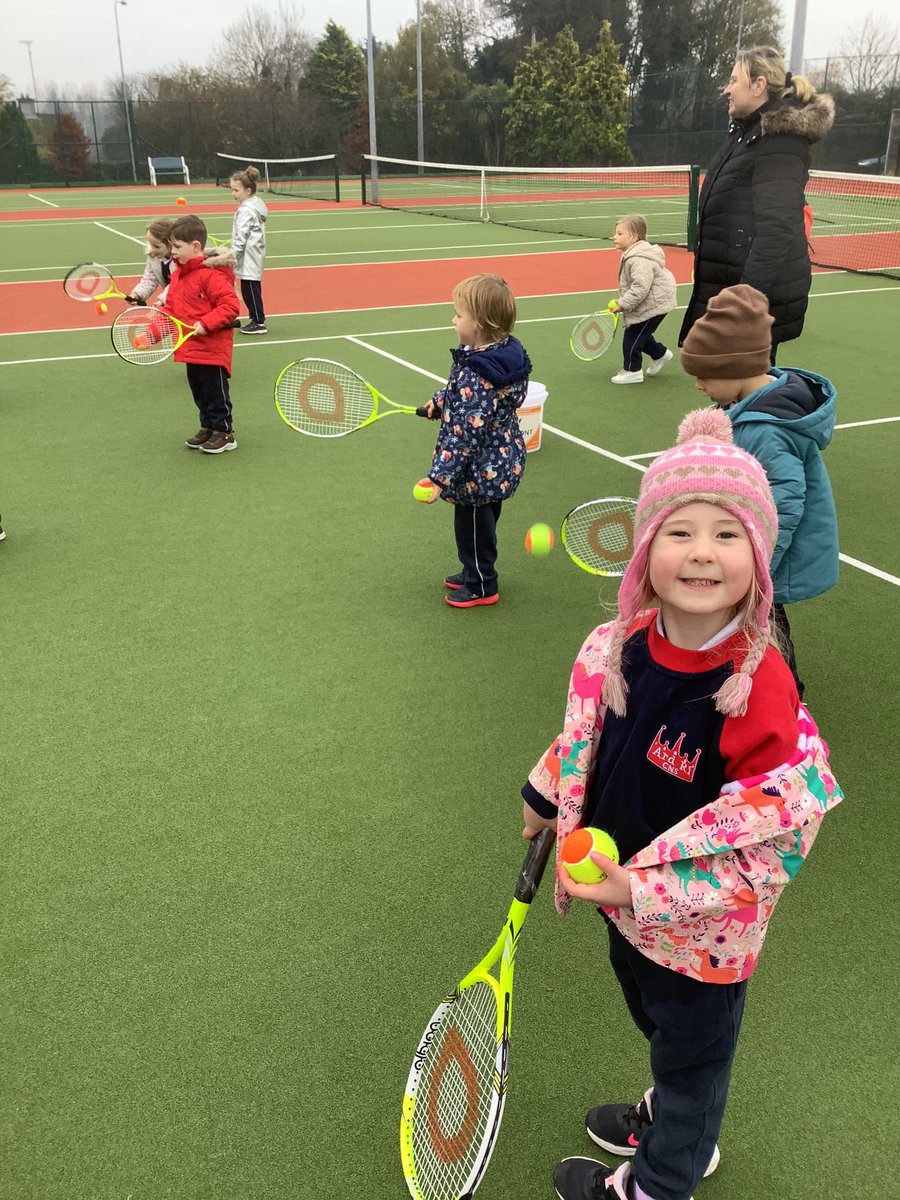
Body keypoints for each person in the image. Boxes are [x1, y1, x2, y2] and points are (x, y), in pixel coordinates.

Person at [520, 408, 843, 1200]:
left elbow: (765, 851)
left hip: (701, 936)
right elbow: (587, 733)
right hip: (624, 911)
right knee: (659, 1024)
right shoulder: (623, 642)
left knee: (695, 1054)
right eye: (679, 530)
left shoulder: (756, 692)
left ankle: (664, 1175)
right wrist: (542, 794)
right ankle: (673, 1113)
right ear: (646, 550)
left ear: (760, 560)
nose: (702, 551)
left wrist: (637, 888)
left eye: (728, 535)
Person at [681, 284, 838, 698]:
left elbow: (786, 502)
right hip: (745, 548)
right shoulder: (743, 409)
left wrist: (759, 564)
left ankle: (787, 700)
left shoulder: (767, 429)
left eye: (704, 376)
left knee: (766, 628)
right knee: (753, 625)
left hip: (765, 556)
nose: (699, 386)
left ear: (736, 368)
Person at [679, 45, 834, 361]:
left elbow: (775, 230)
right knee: (731, 396)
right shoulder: (746, 133)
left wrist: (742, 304)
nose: (726, 89)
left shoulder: (779, 140)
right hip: (730, 290)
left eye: (734, 80)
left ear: (758, 85)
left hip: (747, 302)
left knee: (746, 397)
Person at [421, 273, 530, 608]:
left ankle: (482, 584)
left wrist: (439, 478)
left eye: (459, 314)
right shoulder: (500, 355)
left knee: (471, 527)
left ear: (480, 323)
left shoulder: (476, 370)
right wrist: (441, 401)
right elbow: (464, 395)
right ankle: (474, 570)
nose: (453, 320)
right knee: (481, 523)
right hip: (500, 461)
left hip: (478, 470)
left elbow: (463, 435)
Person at [165, 214, 240, 454]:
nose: (173, 252)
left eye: (177, 246)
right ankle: (207, 426)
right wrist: (153, 332)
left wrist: (205, 324)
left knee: (215, 393)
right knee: (199, 393)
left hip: (212, 348)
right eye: (171, 246)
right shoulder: (177, 276)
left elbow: (230, 307)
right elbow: (171, 308)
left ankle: (224, 432)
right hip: (190, 348)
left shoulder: (211, 275)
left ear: (196, 246)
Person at [609, 214, 677, 385]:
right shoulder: (633, 254)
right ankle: (659, 354)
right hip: (651, 300)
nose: (614, 237)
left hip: (656, 303)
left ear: (633, 237)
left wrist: (623, 303)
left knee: (632, 336)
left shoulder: (638, 259)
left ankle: (632, 371)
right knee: (641, 334)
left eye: (619, 233)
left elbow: (641, 287)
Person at [229, 166, 268, 335]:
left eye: (236, 190)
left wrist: (231, 256)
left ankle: (259, 321)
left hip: (249, 256)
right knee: (249, 288)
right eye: (232, 189)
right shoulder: (253, 206)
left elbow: (241, 237)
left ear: (248, 190)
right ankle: (255, 318)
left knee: (250, 290)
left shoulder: (246, 210)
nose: (233, 193)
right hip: (252, 254)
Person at [124, 218, 175, 307]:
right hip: (171, 303)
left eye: (156, 246)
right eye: (150, 244)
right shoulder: (153, 256)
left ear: (170, 244)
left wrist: (162, 300)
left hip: (189, 304)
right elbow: (149, 279)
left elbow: (177, 284)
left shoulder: (181, 259)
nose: (152, 249)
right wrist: (137, 295)